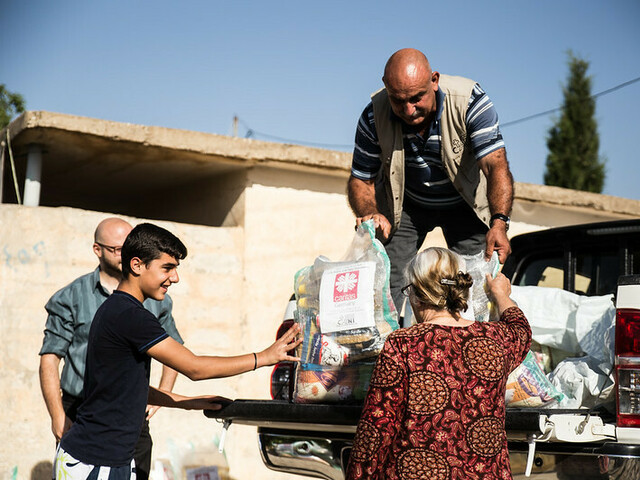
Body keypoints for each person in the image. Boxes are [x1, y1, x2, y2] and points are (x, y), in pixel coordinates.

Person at [54, 223, 301, 479]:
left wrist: (187, 403)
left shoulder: (115, 308)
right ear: (137, 265)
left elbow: (123, 388)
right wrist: (263, 357)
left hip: (95, 457)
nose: (175, 278)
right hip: (96, 461)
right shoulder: (130, 316)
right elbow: (194, 367)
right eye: (167, 268)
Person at [348, 48, 514, 309]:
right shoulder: (373, 116)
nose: (409, 110)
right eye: (398, 100)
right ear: (386, 87)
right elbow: (361, 179)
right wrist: (371, 213)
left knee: (477, 288)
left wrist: (499, 222)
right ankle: (390, 345)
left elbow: (496, 165)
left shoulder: (470, 101)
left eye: (417, 98)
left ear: (434, 80)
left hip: (465, 204)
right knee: (384, 285)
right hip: (407, 207)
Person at [346, 247, 531, 480]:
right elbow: (521, 330)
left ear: (417, 293)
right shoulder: (496, 339)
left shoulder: (404, 344)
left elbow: (376, 429)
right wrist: (501, 294)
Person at [39, 217, 184, 480]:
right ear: (98, 250)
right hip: (83, 409)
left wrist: (161, 396)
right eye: (118, 249)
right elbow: (50, 359)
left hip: (131, 412)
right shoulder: (71, 296)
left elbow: (175, 351)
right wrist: (58, 415)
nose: (126, 253)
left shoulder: (158, 298)